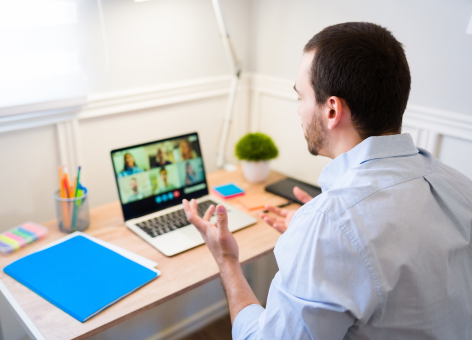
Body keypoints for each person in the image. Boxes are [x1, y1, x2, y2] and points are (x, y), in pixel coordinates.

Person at [183, 22, 472, 339]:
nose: (299, 111)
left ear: (332, 109)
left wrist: (226, 260)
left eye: (300, 97)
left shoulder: (330, 225)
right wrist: (320, 228)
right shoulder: (459, 186)